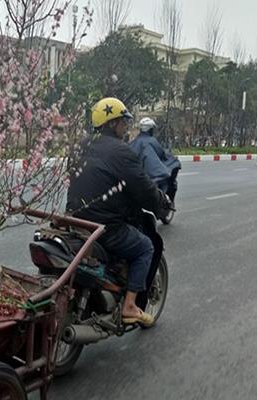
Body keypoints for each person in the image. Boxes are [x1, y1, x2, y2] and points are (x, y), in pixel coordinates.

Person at [66, 98, 169, 326]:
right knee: (145, 246)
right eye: (123, 122)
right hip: (105, 227)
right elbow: (144, 188)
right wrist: (161, 202)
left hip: (73, 219)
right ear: (112, 124)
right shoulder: (122, 151)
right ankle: (130, 306)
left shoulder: (79, 145)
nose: (125, 127)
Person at [130, 117, 182, 197]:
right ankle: (168, 204)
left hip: (136, 178)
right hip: (154, 178)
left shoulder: (133, 143)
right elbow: (162, 155)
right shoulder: (152, 141)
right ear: (150, 130)